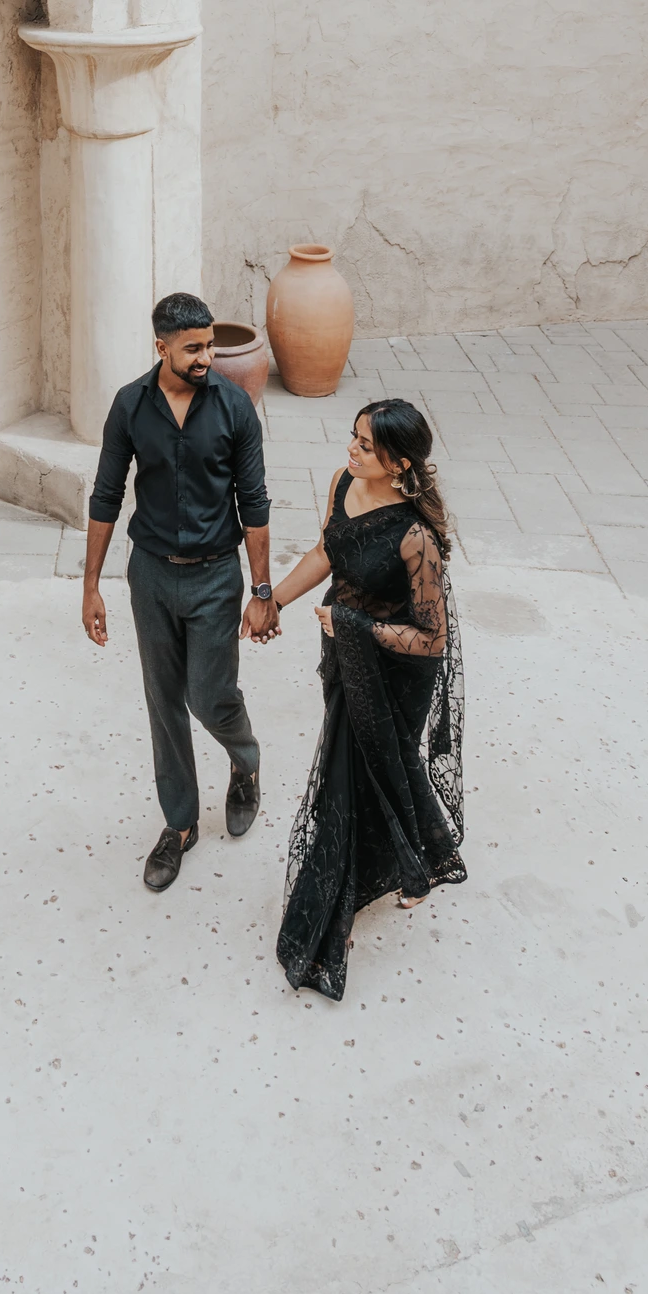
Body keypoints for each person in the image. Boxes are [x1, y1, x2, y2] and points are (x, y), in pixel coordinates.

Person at [82, 293, 280, 892]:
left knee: (209, 695)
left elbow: (256, 503)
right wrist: (91, 585)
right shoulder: (129, 405)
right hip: (150, 572)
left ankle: (245, 761)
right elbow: (105, 495)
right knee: (162, 699)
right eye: (193, 348)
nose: (206, 357)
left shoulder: (234, 407)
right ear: (161, 346)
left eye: (209, 346)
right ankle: (180, 824)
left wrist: (262, 589)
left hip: (216, 575)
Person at [269, 398, 466, 1001]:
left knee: (361, 775)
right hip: (346, 654)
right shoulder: (342, 483)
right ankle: (416, 861)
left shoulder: (416, 537)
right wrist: (273, 601)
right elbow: (329, 551)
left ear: (398, 462)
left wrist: (356, 627)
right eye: (352, 438)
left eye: (364, 446)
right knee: (371, 772)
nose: (350, 451)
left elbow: (432, 638)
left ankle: (344, 896)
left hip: (396, 671)